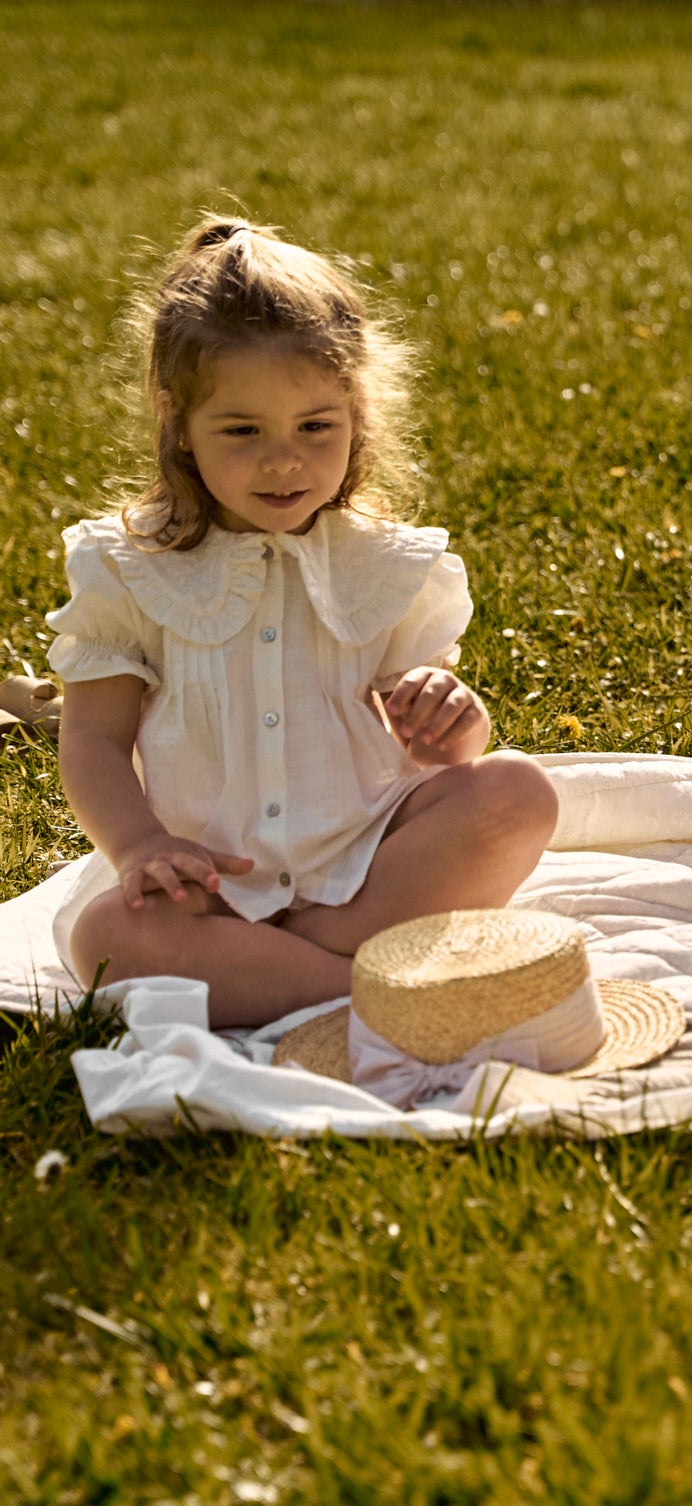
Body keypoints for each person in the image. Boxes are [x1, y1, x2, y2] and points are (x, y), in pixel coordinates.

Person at [48, 217, 558, 1028]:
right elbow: (95, 740)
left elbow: (439, 747)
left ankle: (303, 969)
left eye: (314, 427)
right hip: (208, 890)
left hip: (367, 869)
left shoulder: (383, 564)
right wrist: (139, 846)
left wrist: (453, 721)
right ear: (176, 421)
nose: (283, 460)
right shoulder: (130, 567)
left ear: (356, 414)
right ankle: (363, 990)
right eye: (242, 431)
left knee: (515, 794)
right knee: (107, 938)